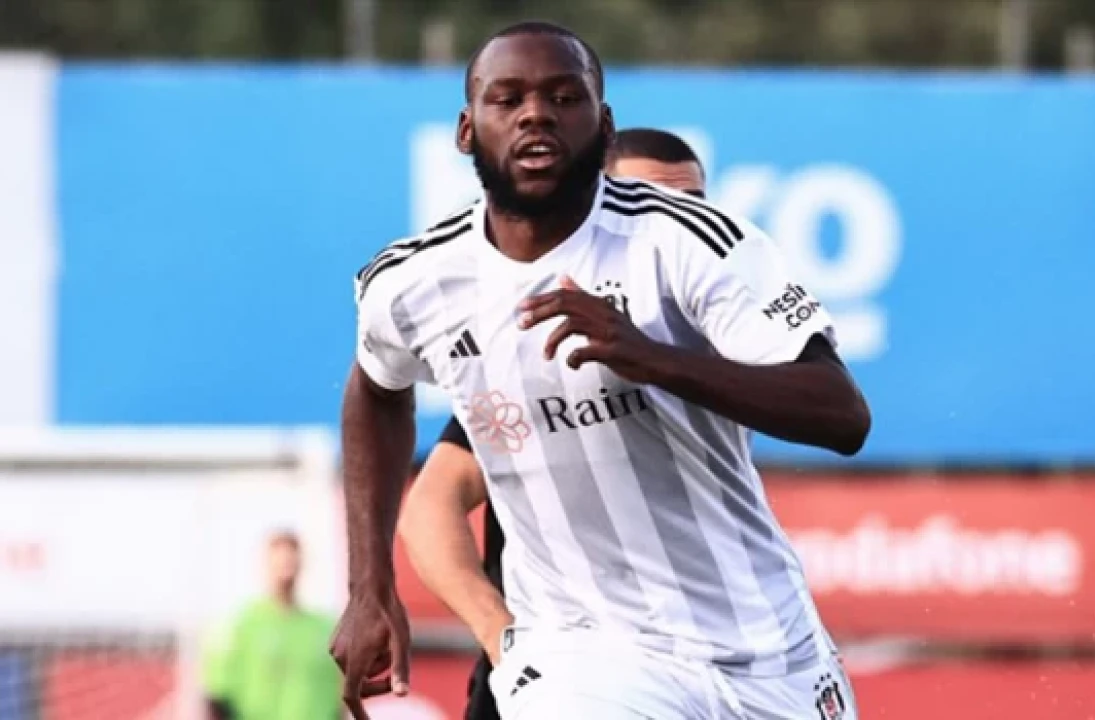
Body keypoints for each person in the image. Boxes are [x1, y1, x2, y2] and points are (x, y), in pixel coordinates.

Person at [332, 19, 871, 720]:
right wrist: (370, 586)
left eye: (563, 97)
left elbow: (843, 414)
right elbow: (376, 389)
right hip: (582, 657)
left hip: (766, 652)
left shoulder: (687, 241)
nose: (535, 114)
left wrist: (650, 357)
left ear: (604, 125)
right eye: (508, 99)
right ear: (466, 130)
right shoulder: (412, 282)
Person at [399, 127, 712, 720]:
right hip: (563, 683)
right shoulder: (544, 352)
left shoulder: (724, 338)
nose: (675, 226)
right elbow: (430, 506)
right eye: (648, 203)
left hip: (704, 670)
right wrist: (504, 640)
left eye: (693, 207)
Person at [204, 531, 342, 720]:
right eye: (279, 563)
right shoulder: (242, 625)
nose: (285, 571)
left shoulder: (324, 630)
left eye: (290, 562)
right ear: (266, 565)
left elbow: (339, 695)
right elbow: (217, 694)